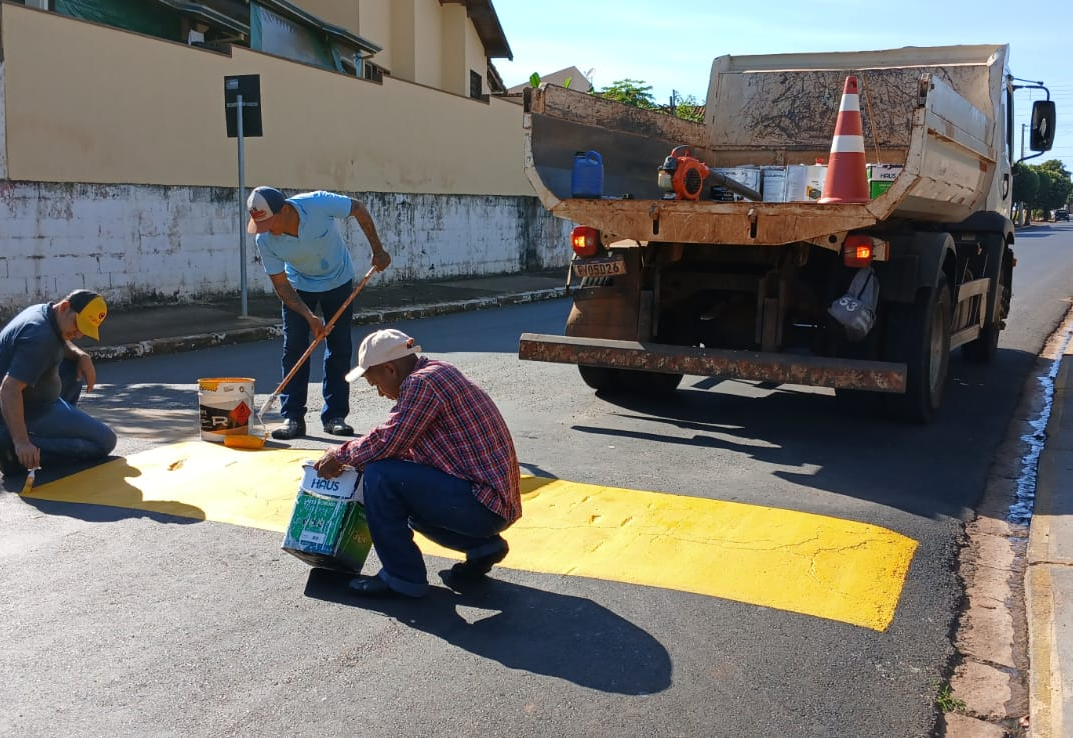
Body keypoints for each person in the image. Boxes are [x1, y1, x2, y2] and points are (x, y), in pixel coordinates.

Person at [313, 329, 522, 598]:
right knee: (399, 495)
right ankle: (482, 546)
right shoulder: (438, 371)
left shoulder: (421, 383)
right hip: (491, 501)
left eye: (375, 384)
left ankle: (402, 577)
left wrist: (340, 455)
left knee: (380, 476)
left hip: (482, 502)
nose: (379, 394)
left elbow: (389, 440)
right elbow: (401, 446)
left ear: (390, 369)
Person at [247, 186, 392, 440]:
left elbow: (357, 207)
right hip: (300, 287)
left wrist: (377, 250)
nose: (266, 229)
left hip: (338, 280)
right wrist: (308, 317)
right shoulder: (265, 239)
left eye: (269, 222)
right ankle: (293, 417)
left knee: (339, 347)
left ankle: (335, 416)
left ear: (284, 209)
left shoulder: (317, 204)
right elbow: (281, 285)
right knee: (294, 348)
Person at [0, 290, 117, 477]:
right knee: (105, 441)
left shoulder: (44, 313)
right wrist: (21, 441)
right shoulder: (40, 337)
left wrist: (80, 355)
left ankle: (36, 435)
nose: (78, 335)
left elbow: (62, 341)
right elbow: (9, 389)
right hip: (25, 408)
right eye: (78, 326)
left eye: (84, 331)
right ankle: (13, 449)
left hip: (36, 400)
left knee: (72, 365)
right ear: (64, 307)